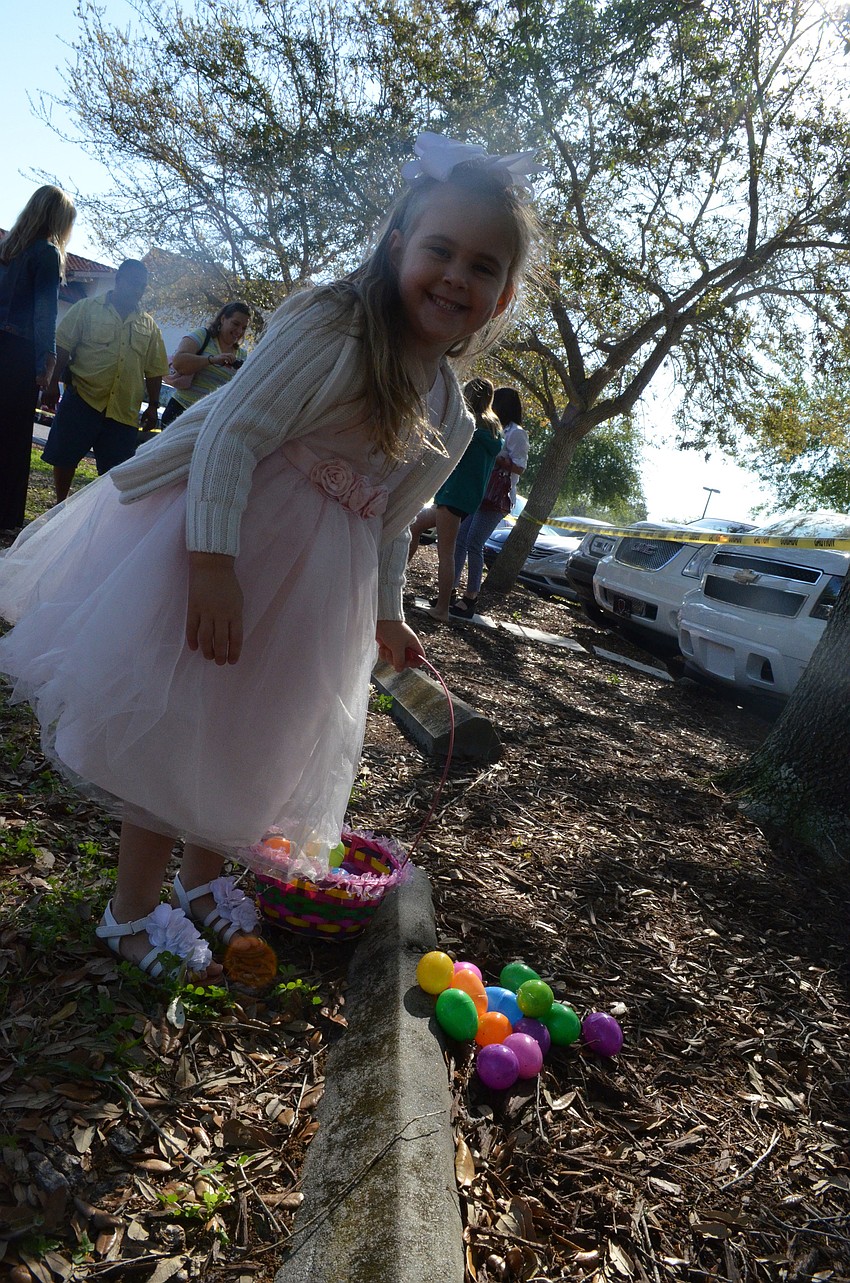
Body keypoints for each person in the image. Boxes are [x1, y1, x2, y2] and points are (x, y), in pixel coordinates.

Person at [0, 130, 540, 982]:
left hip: (314, 598)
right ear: (399, 244)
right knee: (183, 722)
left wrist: (388, 613)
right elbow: (232, 433)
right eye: (440, 249)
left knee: (246, 737)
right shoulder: (335, 327)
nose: (455, 276)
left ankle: (201, 882)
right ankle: (129, 910)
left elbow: (390, 521)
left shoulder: (451, 409)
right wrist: (213, 564)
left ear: (503, 295)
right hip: (235, 550)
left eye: (482, 266)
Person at [42, 259, 169, 502]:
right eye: (133, 283)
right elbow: (63, 347)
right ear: (119, 279)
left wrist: (153, 406)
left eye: (142, 286)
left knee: (116, 474)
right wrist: (52, 383)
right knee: (65, 458)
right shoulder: (86, 308)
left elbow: (154, 370)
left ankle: (101, 516)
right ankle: (60, 504)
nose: (138, 290)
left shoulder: (149, 326)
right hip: (83, 398)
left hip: (123, 411)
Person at [0, 185, 76, 534]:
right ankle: (6, 517)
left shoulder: (8, 248)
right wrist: (48, 363)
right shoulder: (47, 253)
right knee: (13, 436)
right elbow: (45, 314)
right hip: (17, 352)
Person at [407, 376, 503, 620]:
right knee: (415, 526)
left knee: (446, 554)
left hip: (453, 494)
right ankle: (394, 580)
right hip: (465, 498)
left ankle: (442, 608)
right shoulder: (493, 428)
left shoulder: (470, 427)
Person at [449, 385, 529, 619]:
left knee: (474, 543)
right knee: (460, 539)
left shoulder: (517, 433)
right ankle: (449, 590)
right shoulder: (494, 427)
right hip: (480, 492)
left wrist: (498, 456)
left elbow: (520, 467)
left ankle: (470, 598)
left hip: (497, 498)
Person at [160, 301, 251, 427]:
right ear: (223, 319)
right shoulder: (203, 335)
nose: (239, 331)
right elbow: (179, 362)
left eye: (244, 328)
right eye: (235, 324)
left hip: (209, 421)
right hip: (181, 412)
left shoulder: (242, 355)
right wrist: (212, 360)